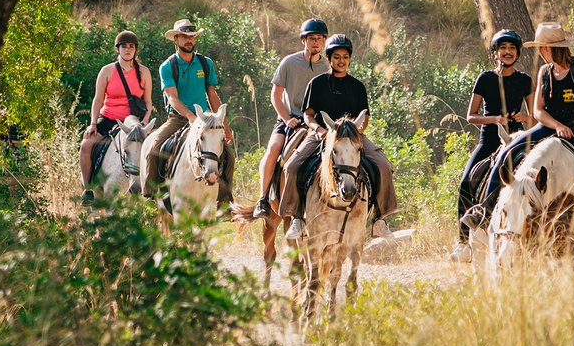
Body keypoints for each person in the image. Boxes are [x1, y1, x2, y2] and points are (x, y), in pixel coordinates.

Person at [462, 22, 574, 237]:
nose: (540, 52)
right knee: (508, 152)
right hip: (548, 126)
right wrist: (557, 126)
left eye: (541, 48)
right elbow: (538, 110)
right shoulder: (545, 71)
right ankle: (486, 211)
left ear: (549, 48)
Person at [276, 34, 397, 239]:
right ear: (329, 59)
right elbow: (308, 115)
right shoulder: (317, 83)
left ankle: (380, 219)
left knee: (383, 165)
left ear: (349, 59)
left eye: (345, 57)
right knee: (292, 166)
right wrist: (320, 130)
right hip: (323, 134)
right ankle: (297, 217)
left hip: (351, 136)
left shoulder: (357, 86)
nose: (341, 61)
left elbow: (364, 116)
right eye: (336, 57)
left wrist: (357, 132)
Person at [450, 28, 534, 262]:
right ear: (495, 53)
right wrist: (495, 119)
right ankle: (463, 241)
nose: (507, 52)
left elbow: (535, 116)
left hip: (517, 140)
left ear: (517, 53)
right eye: (503, 48)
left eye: (512, 49)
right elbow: (471, 116)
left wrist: (524, 119)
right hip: (489, 139)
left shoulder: (525, 80)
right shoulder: (485, 79)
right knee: (466, 182)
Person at [141, 19, 236, 209]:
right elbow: (172, 98)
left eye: (192, 36)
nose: (189, 40)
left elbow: (212, 94)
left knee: (228, 155)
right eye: (184, 36)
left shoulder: (205, 63)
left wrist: (223, 123)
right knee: (154, 149)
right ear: (175, 39)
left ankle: (224, 199)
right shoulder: (168, 66)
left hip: (206, 118)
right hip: (177, 118)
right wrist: (190, 117)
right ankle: (152, 194)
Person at [252, 18, 330, 218]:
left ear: (324, 41)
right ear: (303, 40)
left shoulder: (328, 67)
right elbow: (275, 95)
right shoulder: (289, 62)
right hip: (290, 119)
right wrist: (287, 118)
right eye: (311, 38)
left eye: (320, 39)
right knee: (273, 149)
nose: (316, 42)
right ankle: (262, 199)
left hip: (316, 123)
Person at [79, 29, 155, 200]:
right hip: (108, 117)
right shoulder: (107, 71)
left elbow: (148, 101)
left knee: (154, 148)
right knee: (86, 145)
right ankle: (89, 189)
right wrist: (93, 123)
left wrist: (144, 122)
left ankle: (153, 191)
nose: (127, 49)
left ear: (135, 49)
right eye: (123, 46)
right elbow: (98, 100)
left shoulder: (144, 72)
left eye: (131, 46)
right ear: (117, 49)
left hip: (132, 121)